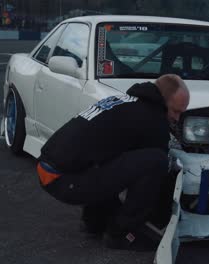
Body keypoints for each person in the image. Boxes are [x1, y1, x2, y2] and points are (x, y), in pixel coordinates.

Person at [37, 74, 190, 250]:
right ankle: (121, 233)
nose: (177, 119)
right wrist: (160, 217)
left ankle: (94, 222)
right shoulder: (153, 118)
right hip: (64, 179)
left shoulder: (123, 101)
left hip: (49, 170)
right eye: (175, 111)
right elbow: (156, 176)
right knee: (156, 161)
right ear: (163, 101)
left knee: (116, 158)